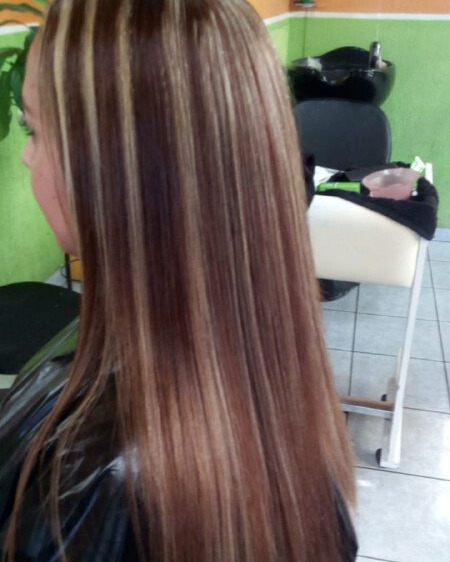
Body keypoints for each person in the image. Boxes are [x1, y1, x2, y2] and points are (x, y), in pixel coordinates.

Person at [0, 0, 357, 560]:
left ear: (121, 167)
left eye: (36, 130)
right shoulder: (281, 391)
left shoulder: (90, 478)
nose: (26, 157)